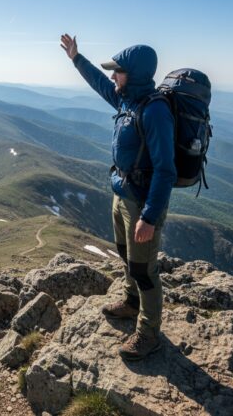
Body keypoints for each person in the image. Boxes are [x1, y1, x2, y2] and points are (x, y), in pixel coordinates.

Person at [60, 34, 176, 361]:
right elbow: (99, 82)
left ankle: (148, 334)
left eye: (118, 72)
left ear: (134, 74)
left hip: (141, 204)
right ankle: (130, 302)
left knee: (144, 270)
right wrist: (76, 58)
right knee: (126, 256)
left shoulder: (154, 111)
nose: (113, 76)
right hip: (121, 194)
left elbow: (166, 170)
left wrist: (149, 217)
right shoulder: (127, 99)